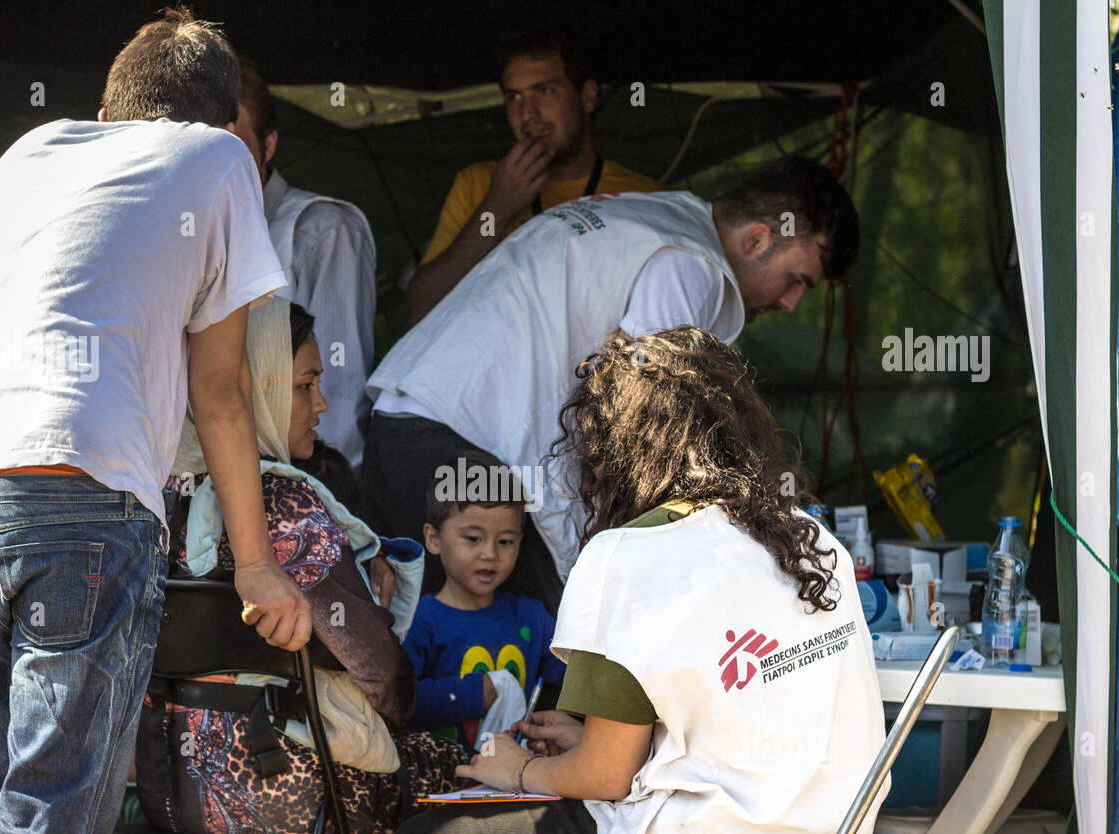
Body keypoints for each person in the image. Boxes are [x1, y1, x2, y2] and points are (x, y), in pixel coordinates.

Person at [0, 8, 308, 834]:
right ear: (225, 124)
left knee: (55, 833)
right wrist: (258, 566)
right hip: (80, 508)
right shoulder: (218, 163)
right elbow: (220, 389)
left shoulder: (30, 150)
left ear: (107, 107)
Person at [386, 327, 887, 834]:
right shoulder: (810, 537)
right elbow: (740, 723)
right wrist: (593, 736)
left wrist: (517, 768)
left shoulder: (629, 556)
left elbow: (605, 776)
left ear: (614, 450)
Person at [366, 156, 860, 610]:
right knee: (544, 653)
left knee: (426, 651)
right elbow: (640, 419)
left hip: (402, 421)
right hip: (469, 442)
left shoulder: (651, 216)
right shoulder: (693, 266)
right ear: (755, 240)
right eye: (797, 280)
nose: (792, 302)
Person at [145, 298, 464, 834]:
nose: (321, 403)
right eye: (304, 383)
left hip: (166, 793)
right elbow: (382, 676)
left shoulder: (156, 502)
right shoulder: (287, 506)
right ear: (257, 384)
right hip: (282, 794)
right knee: (455, 777)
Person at [406, 27, 662, 325]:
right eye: (514, 97)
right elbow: (421, 308)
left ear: (588, 96)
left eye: (545, 91)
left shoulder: (645, 196)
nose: (527, 113)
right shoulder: (478, 184)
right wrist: (497, 209)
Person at [233, 57, 377, 473]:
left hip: (304, 493)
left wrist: (330, 513)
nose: (219, 166)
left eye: (234, 148)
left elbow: (339, 396)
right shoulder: (196, 231)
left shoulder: (323, 231)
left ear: (269, 145)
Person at [403, 453, 566, 750]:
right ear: (434, 538)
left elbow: (576, 678)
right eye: (473, 539)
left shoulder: (531, 618)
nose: (490, 554)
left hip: (516, 780)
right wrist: (473, 694)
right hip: (441, 782)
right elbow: (400, 702)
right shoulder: (420, 620)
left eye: (505, 541)